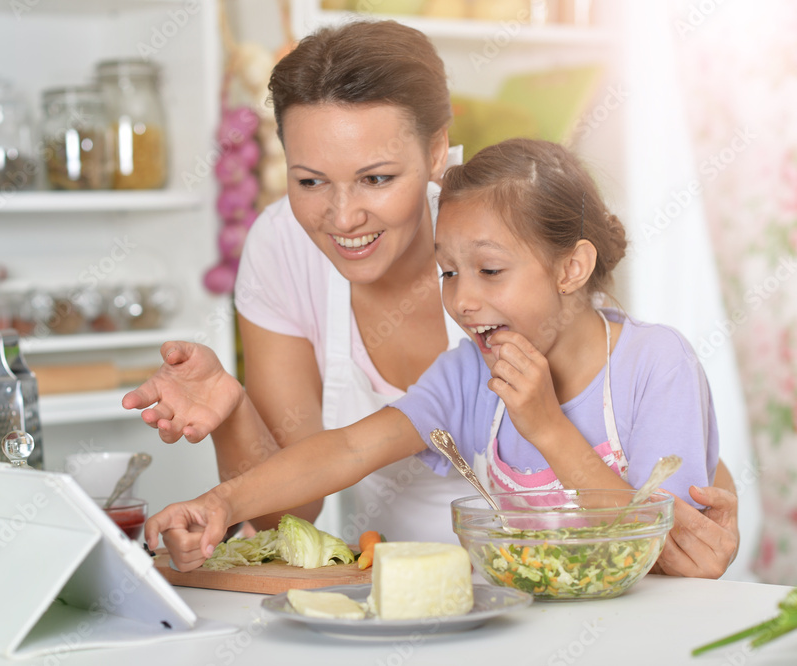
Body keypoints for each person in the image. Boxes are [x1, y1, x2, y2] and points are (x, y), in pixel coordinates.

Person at [123, 21, 740, 577]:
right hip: (461, 599)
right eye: (310, 180)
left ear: (436, 153)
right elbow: (344, 450)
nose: (465, 301)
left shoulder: (493, 222)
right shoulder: (471, 368)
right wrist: (219, 500)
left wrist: (556, 427)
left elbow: (671, 520)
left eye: (377, 177)